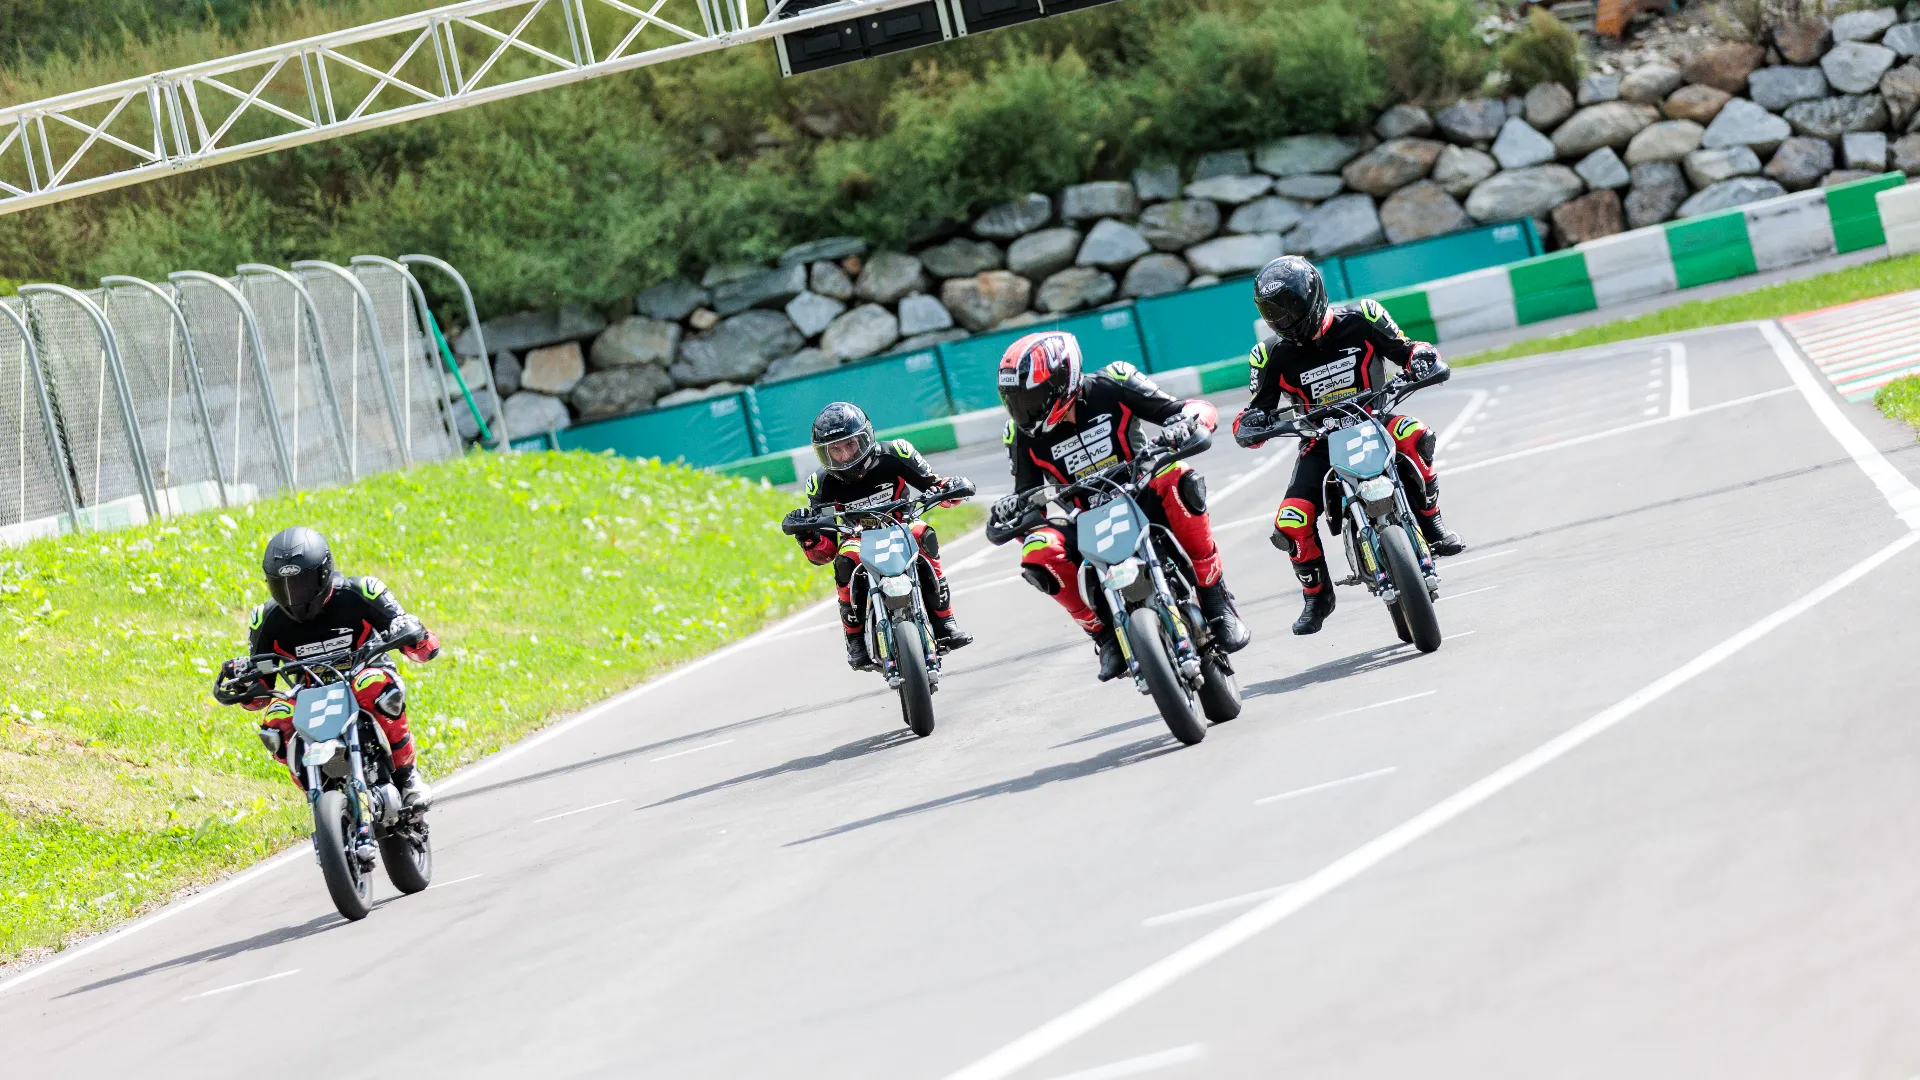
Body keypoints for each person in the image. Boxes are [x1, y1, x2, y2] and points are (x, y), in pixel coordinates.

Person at [988, 330, 1250, 681]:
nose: (1024, 410)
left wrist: (1186, 424)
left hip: (1142, 495)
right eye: (1016, 401)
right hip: (1084, 522)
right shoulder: (1019, 434)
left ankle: (1215, 598)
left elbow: (1189, 409)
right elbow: (1027, 501)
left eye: (1032, 397)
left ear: (1063, 379)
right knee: (1036, 548)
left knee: (1177, 474)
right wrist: (1010, 510)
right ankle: (1104, 635)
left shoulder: (1116, 381)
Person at [1233, 256, 1466, 637]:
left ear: (1312, 296)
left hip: (1376, 420)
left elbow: (1409, 350)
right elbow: (1254, 411)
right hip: (1320, 443)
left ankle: (1432, 523)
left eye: (1288, 308)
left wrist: (1424, 360)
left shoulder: (1364, 317)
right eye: (1273, 312)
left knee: (1416, 433)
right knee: (1290, 522)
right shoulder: (1267, 355)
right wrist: (1251, 424)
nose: (1282, 319)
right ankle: (1317, 596)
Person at [213, 526, 440, 808]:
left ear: (324, 572)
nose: (293, 595)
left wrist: (413, 633)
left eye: (301, 584)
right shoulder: (265, 617)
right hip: (310, 695)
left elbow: (426, 647)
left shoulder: (362, 592)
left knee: (371, 685)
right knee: (276, 718)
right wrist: (244, 683)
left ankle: (407, 777)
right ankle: (319, 795)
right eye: (283, 586)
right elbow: (261, 693)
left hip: (364, 675)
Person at [783, 402, 973, 671]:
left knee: (923, 533)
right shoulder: (820, 483)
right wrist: (808, 536)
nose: (845, 456)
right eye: (835, 450)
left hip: (902, 524)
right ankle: (854, 640)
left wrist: (951, 488)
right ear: (823, 453)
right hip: (856, 536)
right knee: (845, 560)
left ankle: (945, 622)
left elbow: (934, 486)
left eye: (850, 445)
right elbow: (824, 552)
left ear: (866, 438)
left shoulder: (897, 453)